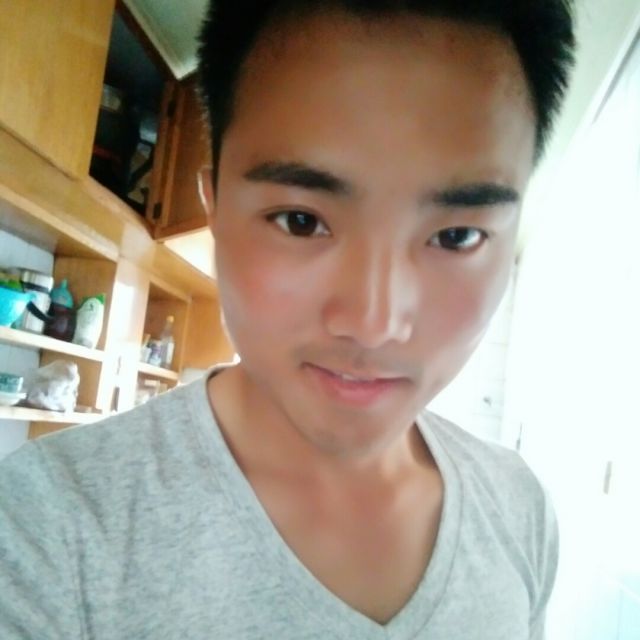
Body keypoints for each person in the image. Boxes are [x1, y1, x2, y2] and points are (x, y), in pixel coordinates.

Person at [0, 1, 575, 638]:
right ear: (215, 208)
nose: (374, 323)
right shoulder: (42, 532)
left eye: (457, 235)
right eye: (301, 221)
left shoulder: (520, 510)